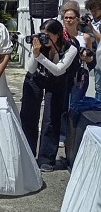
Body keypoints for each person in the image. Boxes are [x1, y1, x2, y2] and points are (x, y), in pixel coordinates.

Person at [20, 19, 78, 172]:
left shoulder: (70, 49)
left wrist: (40, 57)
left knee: (52, 117)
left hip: (57, 81)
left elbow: (58, 70)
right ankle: (27, 153)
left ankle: (46, 158)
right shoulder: (39, 46)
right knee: (29, 116)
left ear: (58, 35)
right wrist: (35, 53)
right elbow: (31, 70)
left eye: (47, 35)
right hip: (36, 79)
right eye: (41, 34)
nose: (43, 38)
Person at [85, 0, 101, 100]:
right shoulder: (89, 21)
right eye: (91, 9)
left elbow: (100, 39)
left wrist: (91, 28)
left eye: (95, 9)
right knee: (98, 87)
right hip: (94, 56)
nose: (93, 11)